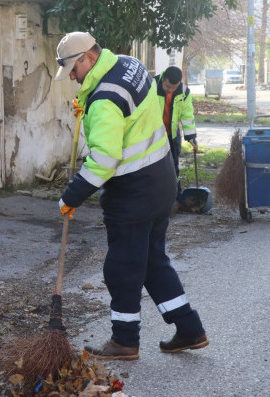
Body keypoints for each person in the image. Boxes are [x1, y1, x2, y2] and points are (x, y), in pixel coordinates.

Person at [54, 32, 208, 360]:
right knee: (153, 260)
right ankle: (189, 328)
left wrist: (71, 196)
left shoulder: (103, 100)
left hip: (134, 192)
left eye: (72, 68)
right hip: (163, 179)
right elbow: (135, 120)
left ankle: (124, 341)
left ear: (88, 59)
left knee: (122, 267)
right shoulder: (130, 65)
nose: (71, 76)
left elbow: (104, 161)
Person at [154, 66, 198, 212]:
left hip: (171, 136)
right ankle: (154, 199)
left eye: (174, 87)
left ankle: (175, 199)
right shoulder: (151, 86)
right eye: (167, 87)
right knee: (153, 169)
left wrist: (191, 137)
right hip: (152, 137)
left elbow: (187, 115)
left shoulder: (184, 91)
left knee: (173, 169)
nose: (170, 90)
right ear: (163, 78)